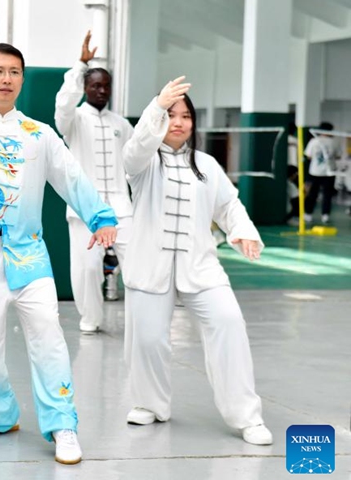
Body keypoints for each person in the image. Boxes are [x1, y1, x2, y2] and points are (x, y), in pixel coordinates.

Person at [0, 2, 118, 465]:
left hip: (29, 257)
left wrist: (100, 217)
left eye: (14, 72)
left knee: (49, 337)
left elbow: (71, 178)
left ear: (21, 79)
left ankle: (63, 425)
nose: (6, 79)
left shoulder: (39, 134)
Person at [120, 77, 273, 446]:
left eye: (185, 116)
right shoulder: (141, 162)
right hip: (148, 265)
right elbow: (136, 148)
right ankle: (149, 404)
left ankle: (246, 416)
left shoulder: (207, 164)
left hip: (200, 266)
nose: (178, 122)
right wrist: (156, 106)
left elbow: (229, 205)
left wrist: (244, 231)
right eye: (171, 115)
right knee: (149, 339)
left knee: (228, 321)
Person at [54, 31, 134, 334]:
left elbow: (136, 160)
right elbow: (64, 103)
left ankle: (143, 317)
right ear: (85, 87)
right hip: (84, 208)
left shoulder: (121, 124)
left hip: (121, 207)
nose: (101, 90)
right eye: (95, 85)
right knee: (87, 268)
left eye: (106, 86)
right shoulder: (72, 120)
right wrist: (80, 64)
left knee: (137, 263)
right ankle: (91, 319)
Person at [304, 122, 339, 224]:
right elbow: (338, 156)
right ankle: (325, 215)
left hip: (315, 171)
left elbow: (308, 156)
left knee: (312, 194)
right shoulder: (334, 142)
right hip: (329, 172)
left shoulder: (314, 141)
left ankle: (308, 214)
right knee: (327, 195)